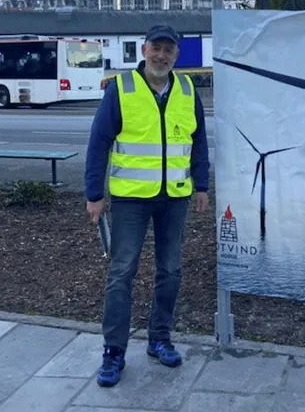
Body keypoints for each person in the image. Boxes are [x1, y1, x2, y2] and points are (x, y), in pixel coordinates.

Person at [84, 24, 210, 387]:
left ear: (176, 55)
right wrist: (95, 194)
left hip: (175, 197)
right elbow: (98, 143)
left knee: (170, 271)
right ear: (144, 49)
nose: (162, 55)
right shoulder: (121, 89)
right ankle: (114, 352)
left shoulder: (187, 89)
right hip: (130, 201)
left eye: (169, 50)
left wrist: (201, 185)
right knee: (122, 272)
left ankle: (160, 339)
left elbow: (198, 141)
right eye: (156, 48)